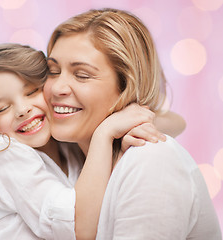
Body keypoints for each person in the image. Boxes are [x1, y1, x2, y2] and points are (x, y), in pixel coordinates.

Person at [0, 43, 183, 239]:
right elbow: (78, 230)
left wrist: (124, 118)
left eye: (32, 91)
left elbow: (175, 123)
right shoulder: (4, 150)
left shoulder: (65, 140)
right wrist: (105, 132)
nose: (22, 110)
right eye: (2, 108)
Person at [44, 8, 222, 239]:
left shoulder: (150, 161)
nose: (57, 88)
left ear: (126, 85)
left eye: (82, 75)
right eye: (52, 71)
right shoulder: (64, 159)